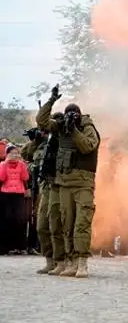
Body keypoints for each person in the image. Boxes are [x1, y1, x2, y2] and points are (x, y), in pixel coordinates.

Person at [36, 85, 101, 279]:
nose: (71, 118)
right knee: (66, 224)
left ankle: (82, 263)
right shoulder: (61, 127)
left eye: (74, 115)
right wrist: (51, 100)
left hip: (83, 184)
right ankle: (70, 261)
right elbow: (42, 121)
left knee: (81, 224)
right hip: (64, 183)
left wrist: (74, 130)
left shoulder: (87, 128)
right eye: (69, 115)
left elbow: (87, 147)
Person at [21, 127, 62, 273]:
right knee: (42, 226)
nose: (43, 133)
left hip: (59, 187)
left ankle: (61, 261)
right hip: (44, 188)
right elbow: (26, 154)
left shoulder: (60, 140)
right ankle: (50, 260)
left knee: (56, 226)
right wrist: (35, 140)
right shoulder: (40, 144)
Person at [0, 144, 30, 255]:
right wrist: (5, 163)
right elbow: (1, 178)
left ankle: (20, 246)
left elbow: (25, 177)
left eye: (16, 153)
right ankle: (6, 247)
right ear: (7, 154)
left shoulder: (21, 164)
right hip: (5, 193)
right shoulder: (2, 164)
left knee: (20, 219)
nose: (14, 155)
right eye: (12, 153)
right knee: (7, 219)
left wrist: (22, 166)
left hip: (18, 193)